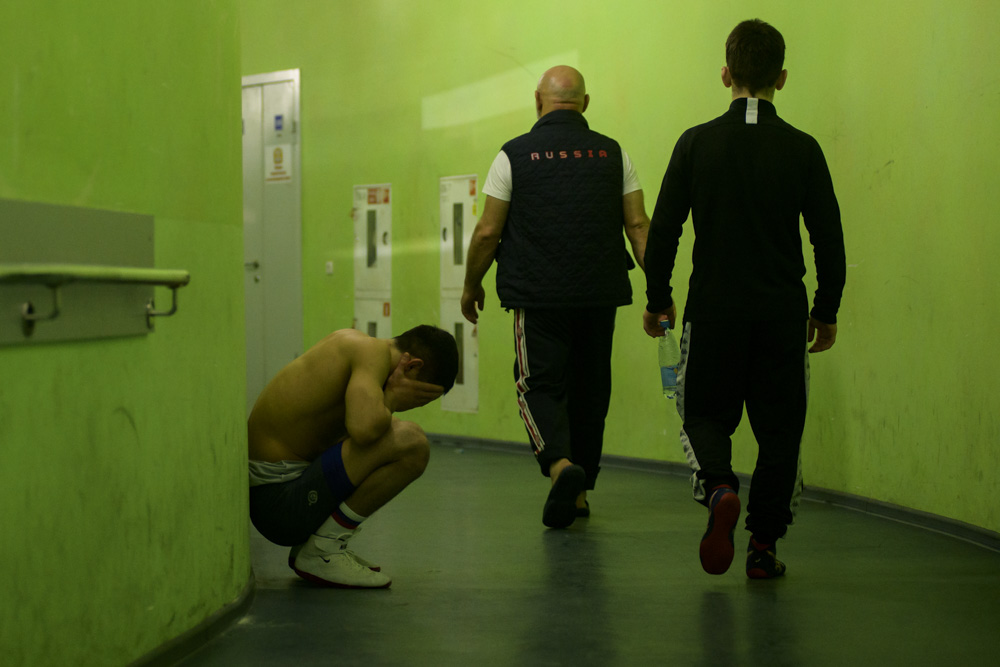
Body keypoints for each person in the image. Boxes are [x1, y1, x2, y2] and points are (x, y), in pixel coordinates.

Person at [643, 19, 846, 578]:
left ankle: (719, 488)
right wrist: (826, 309)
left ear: (725, 74)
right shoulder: (803, 149)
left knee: (703, 414)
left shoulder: (695, 143)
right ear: (782, 78)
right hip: (782, 315)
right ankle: (763, 547)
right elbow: (828, 237)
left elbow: (665, 230)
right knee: (781, 432)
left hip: (714, 312)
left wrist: (658, 298)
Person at [461, 65, 650, 529]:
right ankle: (578, 495)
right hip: (599, 294)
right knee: (590, 389)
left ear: (537, 101)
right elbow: (638, 226)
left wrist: (471, 284)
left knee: (538, 384)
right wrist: (660, 290)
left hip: (539, 296)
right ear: (585, 103)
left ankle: (560, 466)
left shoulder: (513, 155)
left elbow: (487, 232)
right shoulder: (613, 153)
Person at [247, 325, 459, 588]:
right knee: (412, 442)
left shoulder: (357, 346)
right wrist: (393, 398)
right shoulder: (371, 353)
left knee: (391, 431)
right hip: (278, 505)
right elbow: (364, 429)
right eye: (419, 398)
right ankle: (323, 551)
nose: (414, 404)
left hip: (278, 496)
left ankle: (319, 544)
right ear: (412, 366)